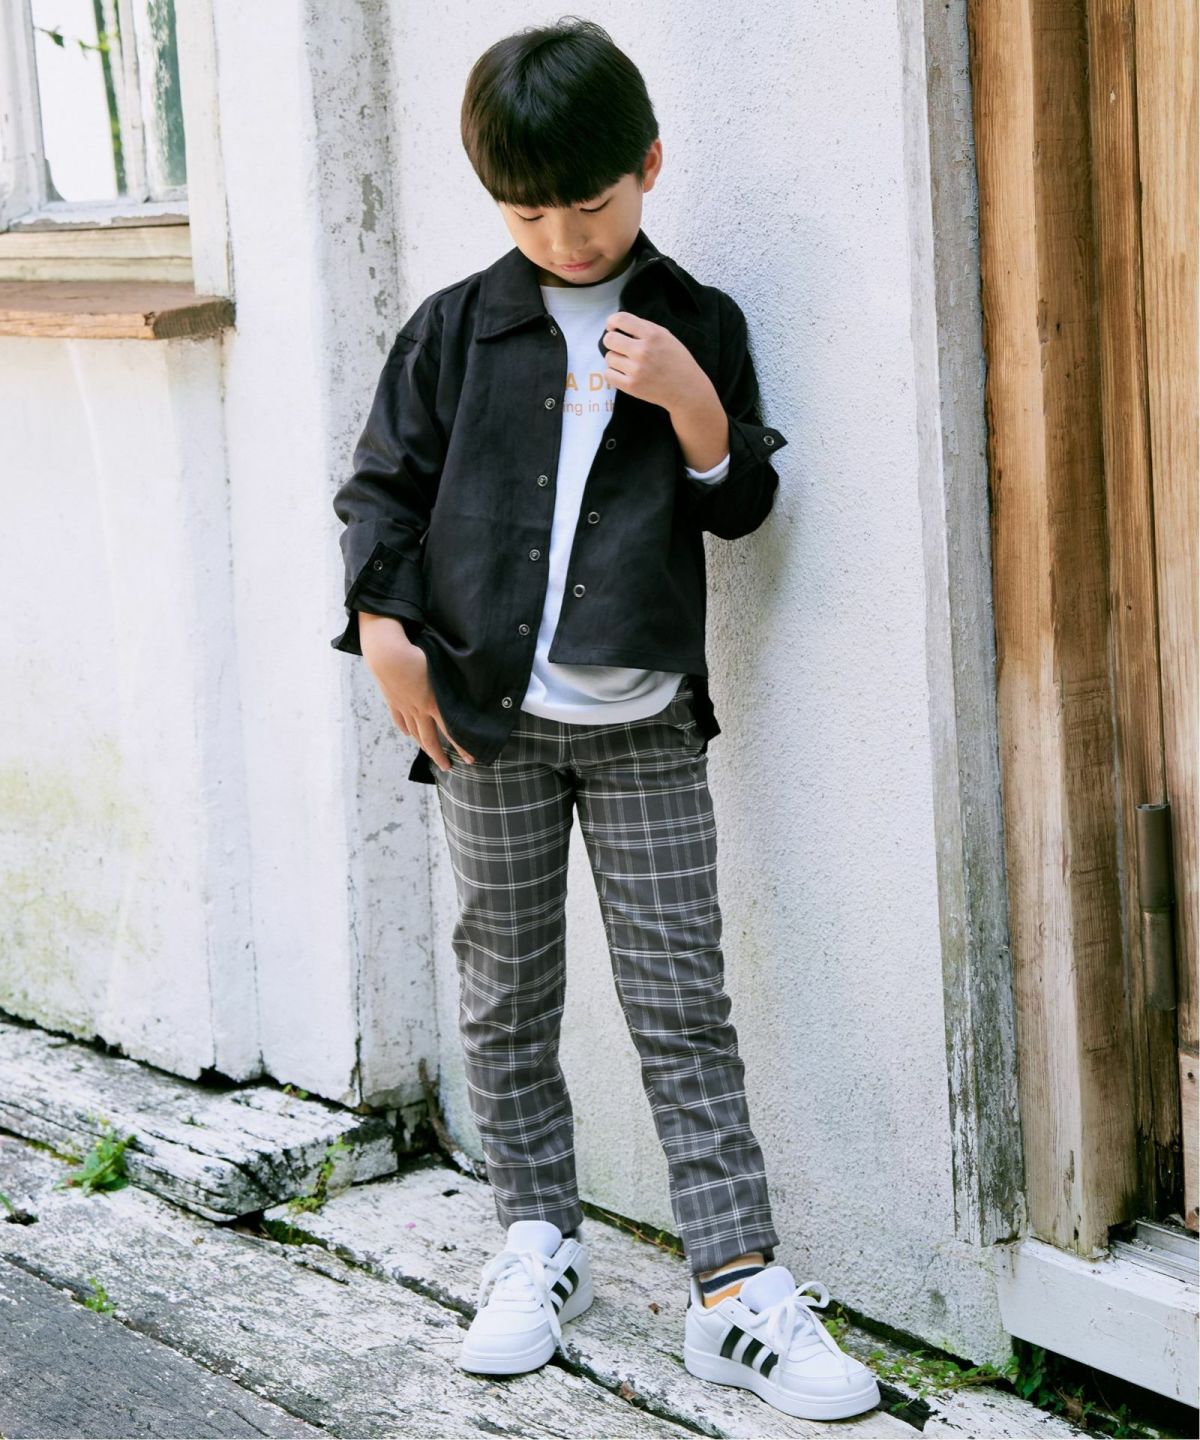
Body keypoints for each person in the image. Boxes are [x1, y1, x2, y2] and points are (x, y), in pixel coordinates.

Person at [330, 16, 879, 1422]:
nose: (566, 238)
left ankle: (735, 1290)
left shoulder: (702, 322)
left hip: (642, 726)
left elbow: (741, 506)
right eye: (529, 213)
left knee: (682, 1001)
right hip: (486, 724)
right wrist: (384, 632)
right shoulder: (454, 328)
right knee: (506, 990)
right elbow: (381, 491)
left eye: (590, 203)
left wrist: (695, 405)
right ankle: (536, 1241)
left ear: (649, 166)